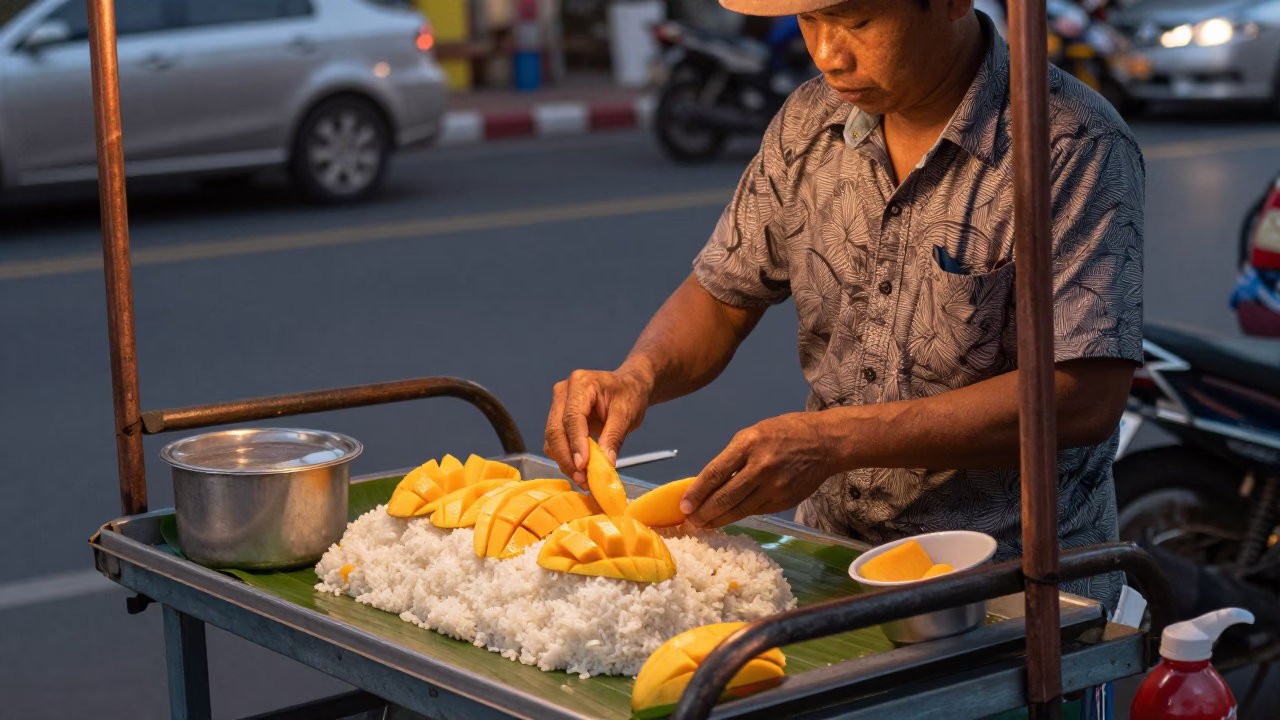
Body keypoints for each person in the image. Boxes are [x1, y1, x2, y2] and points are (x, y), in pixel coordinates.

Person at [546, 0, 1144, 610]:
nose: (829, 54)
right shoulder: (807, 121)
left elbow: (1083, 399)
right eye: (810, 23)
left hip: (1015, 583)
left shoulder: (1070, 143)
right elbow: (723, 294)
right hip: (832, 556)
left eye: (857, 22)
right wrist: (636, 377)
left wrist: (835, 441)